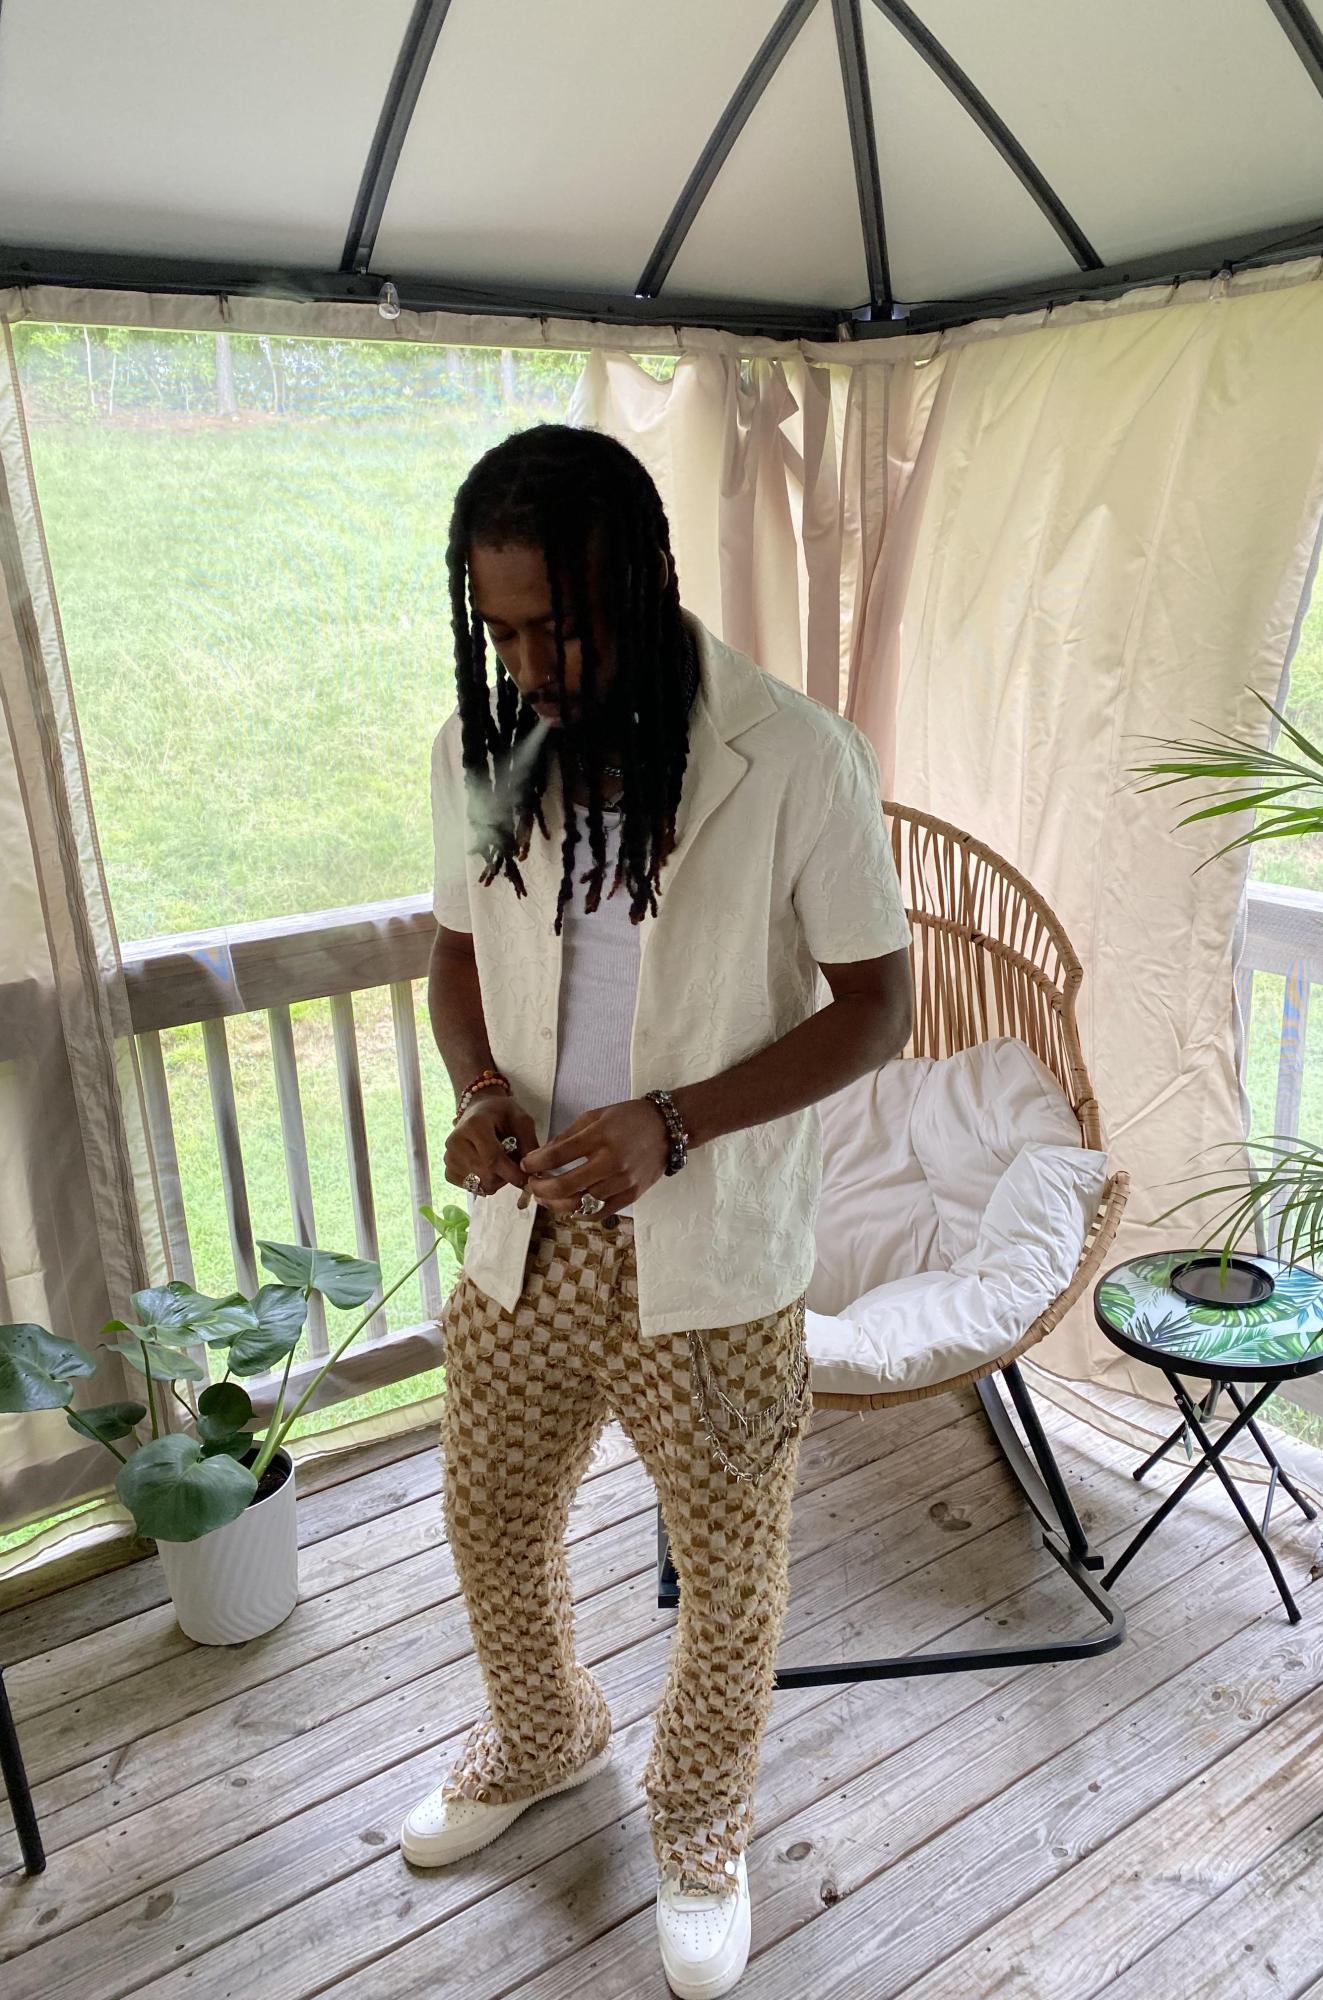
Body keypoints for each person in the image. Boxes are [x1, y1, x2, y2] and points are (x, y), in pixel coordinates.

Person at [403, 423, 912, 1999]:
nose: (530, 666)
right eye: (501, 632)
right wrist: (479, 1093)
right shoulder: (488, 748)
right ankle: (546, 1733)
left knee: (729, 1567)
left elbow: (880, 1009)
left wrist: (674, 1124)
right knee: (490, 1510)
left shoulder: (797, 756)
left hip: (711, 1257)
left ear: (638, 579)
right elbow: (456, 960)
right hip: (531, 1237)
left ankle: (698, 1826)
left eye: (557, 626)